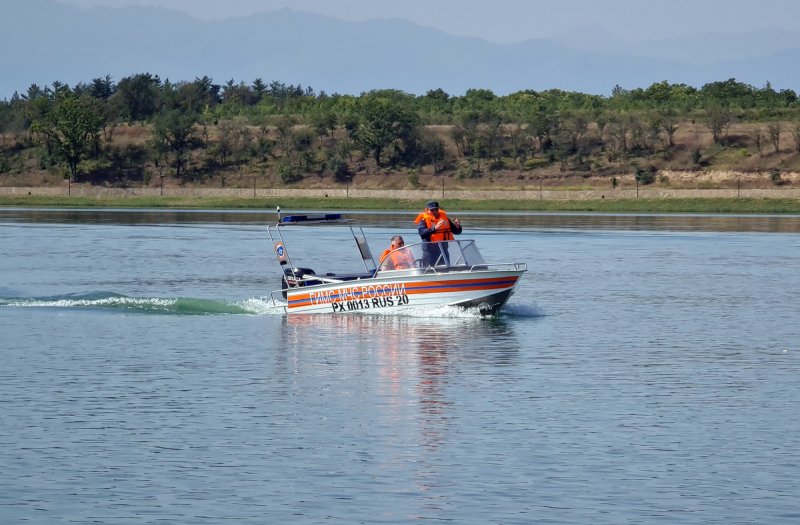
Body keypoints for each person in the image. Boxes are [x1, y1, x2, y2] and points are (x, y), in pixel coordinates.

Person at [414, 200, 462, 266]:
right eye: (432, 210)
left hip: (443, 251)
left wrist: (458, 226)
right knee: (428, 272)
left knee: (446, 271)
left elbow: (457, 231)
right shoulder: (423, 220)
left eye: (436, 209)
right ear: (427, 210)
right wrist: (435, 228)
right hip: (429, 252)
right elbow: (422, 232)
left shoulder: (444, 218)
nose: (434, 212)